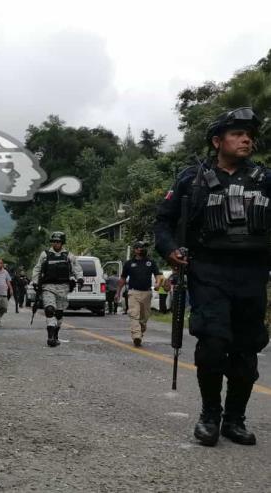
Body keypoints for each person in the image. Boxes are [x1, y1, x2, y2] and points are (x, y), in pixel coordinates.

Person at [154, 106, 270, 447]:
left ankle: (235, 419)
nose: (246, 139)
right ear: (218, 141)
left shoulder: (266, 179)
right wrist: (170, 249)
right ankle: (209, 415)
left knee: (247, 350)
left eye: (249, 134)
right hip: (208, 271)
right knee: (213, 344)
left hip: (252, 273)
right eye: (237, 133)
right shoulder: (192, 179)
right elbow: (163, 221)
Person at [31, 232, 83, 347]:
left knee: (59, 314)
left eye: (58, 242)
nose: (56, 244)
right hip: (48, 287)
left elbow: (76, 268)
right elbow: (37, 268)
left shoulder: (68, 255)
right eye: (54, 241)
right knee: (49, 310)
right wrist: (35, 282)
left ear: (62, 243)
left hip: (63, 288)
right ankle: (50, 338)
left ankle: (55, 335)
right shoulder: (45, 254)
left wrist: (80, 279)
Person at [115, 241, 161, 347]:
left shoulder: (151, 262)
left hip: (147, 293)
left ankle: (140, 332)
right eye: (141, 248)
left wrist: (158, 283)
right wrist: (117, 293)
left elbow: (157, 275)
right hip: (133, 292)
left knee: (144, 318)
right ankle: (136, 336)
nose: (143, 249)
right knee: (133, 314)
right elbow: (122, 279)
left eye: (145, 247)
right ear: (135, 250)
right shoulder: (129, 263)